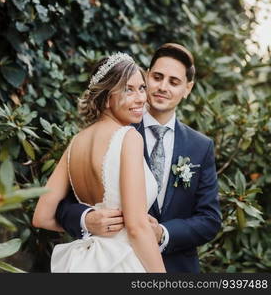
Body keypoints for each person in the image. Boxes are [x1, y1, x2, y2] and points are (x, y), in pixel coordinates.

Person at [55, 43, 222, 273]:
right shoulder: (117, 132)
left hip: (177, 267)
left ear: (188, 88)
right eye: (157, 77)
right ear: (146, 76)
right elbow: (64, 203)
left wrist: (163, 233)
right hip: (112, 261)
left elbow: (210, 219)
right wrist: (86, 219)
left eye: (174, 82)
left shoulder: (200, 146)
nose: (163, 87)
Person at [32, 52, 166, 272]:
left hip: (84, 263)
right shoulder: (129, 138)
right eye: (128, 90)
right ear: (106, 98)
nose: (141, 98)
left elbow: (42, 217)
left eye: (142, 88)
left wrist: (86, 224)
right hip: (122, 261)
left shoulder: (76, 142)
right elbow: (137, 227)